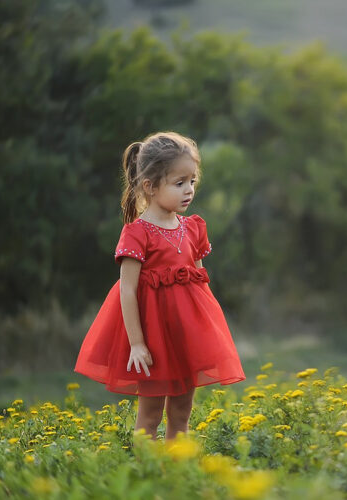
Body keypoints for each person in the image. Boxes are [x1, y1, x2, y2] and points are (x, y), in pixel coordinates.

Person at [75, 131, 245, 439]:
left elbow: (200, 283)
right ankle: (149, 474)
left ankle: (176, 473)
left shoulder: (193, 228)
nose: (189, 190)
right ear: (150, 187)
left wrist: (207, 334)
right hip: (153, 340)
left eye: (192, 181)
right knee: (150, 416)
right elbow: (127, 291)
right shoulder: (137, 233)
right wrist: (138, 343)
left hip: (185, 337)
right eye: (179, 183)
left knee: (181, 413)